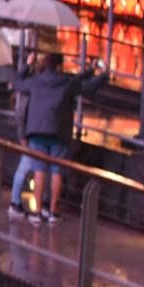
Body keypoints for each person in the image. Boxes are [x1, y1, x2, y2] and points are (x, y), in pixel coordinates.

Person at [11, 52, 107, 222]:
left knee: (39, 172)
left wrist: (27, 65)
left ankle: (37, 212)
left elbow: (17, 83)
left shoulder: (36, 81)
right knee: (57, 172)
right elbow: (88, 87)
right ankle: (53, 211)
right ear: (60, 66)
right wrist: (103, 74)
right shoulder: (66, 83)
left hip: (37, 132)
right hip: (59, 133)